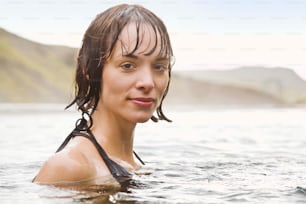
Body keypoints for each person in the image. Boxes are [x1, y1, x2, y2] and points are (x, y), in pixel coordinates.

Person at [33, 4, 174, 188]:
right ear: (91, 72)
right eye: (128, 65)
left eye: (159, 67)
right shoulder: (70, 167)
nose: (148, 82)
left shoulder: (134, 166)